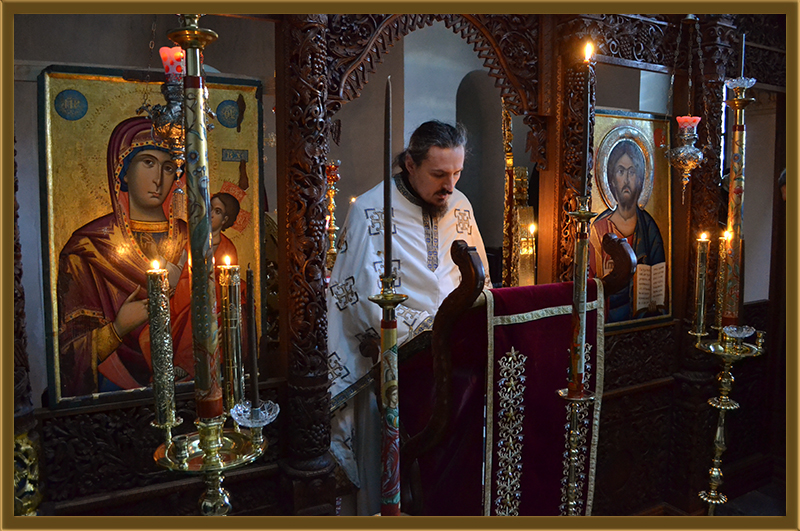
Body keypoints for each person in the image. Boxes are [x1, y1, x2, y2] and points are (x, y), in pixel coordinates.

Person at [327, 120, 491, 515]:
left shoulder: (461, 206)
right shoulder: (370, 210)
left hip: (457, 360)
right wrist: (432, 328)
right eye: (439, 174)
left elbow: (481, 284)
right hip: (395, 364)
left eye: (457, 173)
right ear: (410, 164)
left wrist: (461, 322)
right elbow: (358, 299)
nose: (450, 186)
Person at [57, 116, 189, 397]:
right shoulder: (87, 247)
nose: (158, 179)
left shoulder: (190, 238)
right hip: (116, 393)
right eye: (148, 163)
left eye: (168, 167)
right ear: (124, 171)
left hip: (186, 383)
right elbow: (67, 352)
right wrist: (117, 329)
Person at [588, 138, 666, 322]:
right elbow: (590, 282)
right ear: (611, 179)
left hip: (643, 319)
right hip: (607, 318)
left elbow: (659, 276)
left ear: (640, 179)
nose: (626, 179)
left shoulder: (649, 227)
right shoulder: (598, 229)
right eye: (620, 171)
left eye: (632, 172)